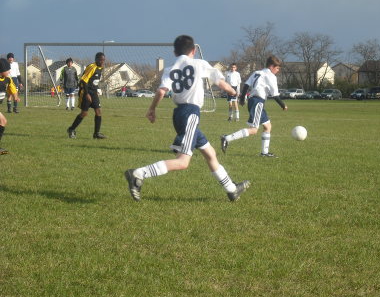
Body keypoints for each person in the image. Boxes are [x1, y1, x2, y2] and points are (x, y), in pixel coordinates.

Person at [124, 35, 250, 202]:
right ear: (194, 50)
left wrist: (152, 109)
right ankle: (139, 173)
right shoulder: (200, 64)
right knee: (183, 162)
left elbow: (162, 91)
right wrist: (234, 92)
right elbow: (221, 83)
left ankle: (232, 189)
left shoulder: (170, 69)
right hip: (191, 113)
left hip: (178, 114)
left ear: (174, 52)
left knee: (210, 153)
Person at [220, 55, 287, 158]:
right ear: (272, 66)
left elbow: (246, 85)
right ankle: (227, 138)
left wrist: (242, 98)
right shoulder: (271, 76)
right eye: (277, 68)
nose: (278, 71)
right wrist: (283, 105)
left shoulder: (257, 72)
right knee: (254, 130)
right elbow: (275, 95)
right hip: (258, 102)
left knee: (267, 126)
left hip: (254, 100)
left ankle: (264, 153)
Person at [67, 52, 106, 139]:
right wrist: (87, 94)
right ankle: (71, 129)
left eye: (103, 60)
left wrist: (97, 90)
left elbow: (94, 81)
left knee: (98, 111)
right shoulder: (92, 67)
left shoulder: (100, 68)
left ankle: (96, 134)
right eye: (100, 59)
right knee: (84, 113)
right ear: (96, 59)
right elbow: (84, 80)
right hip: (86, 92)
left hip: (94, 92)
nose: (102, 61)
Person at [0, 58, 18, 154]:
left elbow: (13, 89)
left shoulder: (8, 79)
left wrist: (16, 97)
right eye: (8, 69)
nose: (9, 71)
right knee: (2, 120)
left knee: (3, 121)